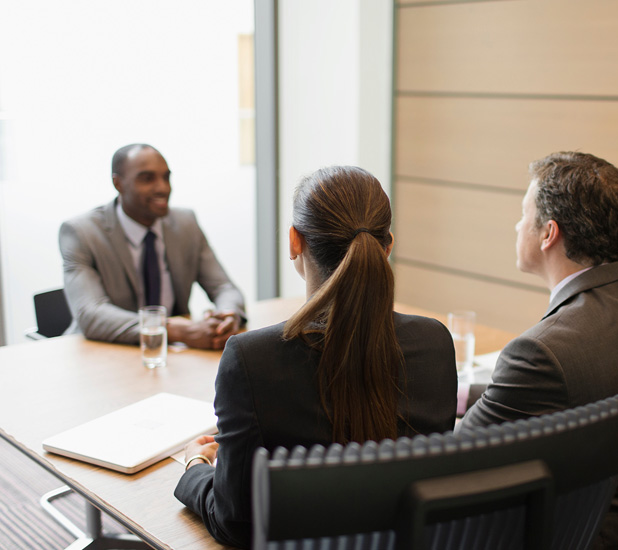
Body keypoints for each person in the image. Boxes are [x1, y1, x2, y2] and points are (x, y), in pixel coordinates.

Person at [174, 166, 457, 548]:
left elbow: (234, 524)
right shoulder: (434, 342)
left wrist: (196, 466)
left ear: (295, 241)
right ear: (387, 245)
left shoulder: (252, 360)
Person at [456, 151, 618, 549]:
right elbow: (577, 385)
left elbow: (456, 459)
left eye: (523, 213)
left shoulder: (542, 350)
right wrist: (465, 394)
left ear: (548, 233)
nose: (517, 225)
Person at [59, 143, 245, 349]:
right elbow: (91, 314)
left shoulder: (186, 223)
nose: (163, 188)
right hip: (106, 351)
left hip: (173, 355)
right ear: (118, 183)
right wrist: (177, 330)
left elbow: (224, 288)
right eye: (147, 179)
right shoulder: (81, 233)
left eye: (166, 177)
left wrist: (227, 316)